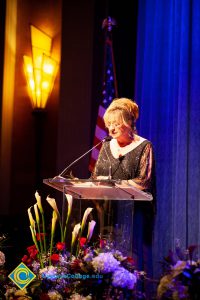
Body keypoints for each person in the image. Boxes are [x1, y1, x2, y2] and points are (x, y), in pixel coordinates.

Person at [92, 97, 156, 281]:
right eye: (108, 124)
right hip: (107, 213)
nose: (110, 129)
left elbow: (144, 181)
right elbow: (96, 178)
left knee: (131, 261)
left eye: (116, 124)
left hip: (135, 215)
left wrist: (115, 183)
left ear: (128, 123)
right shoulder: (105, 146)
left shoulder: (144, 146)